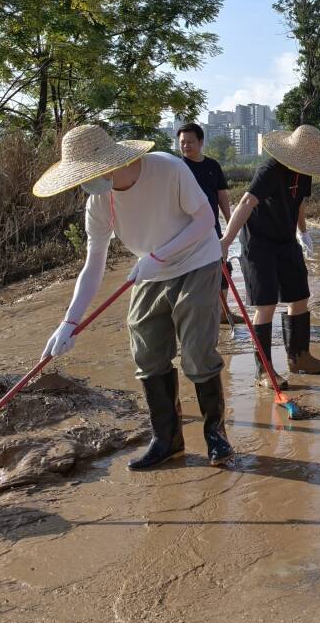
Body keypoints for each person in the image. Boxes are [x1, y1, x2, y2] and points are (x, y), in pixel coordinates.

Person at [33, 124, 232, 468]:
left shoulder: (168, 168)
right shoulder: (99, 202)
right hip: (150, 271)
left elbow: (204, 221)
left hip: (197, 260)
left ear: (112, 163)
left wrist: (159, 256)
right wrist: (69, 322)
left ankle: (216, 436)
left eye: (91, 174)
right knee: (146, 350)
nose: (87, 183)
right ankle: (167, 440)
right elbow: (93, 265)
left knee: (197, 351)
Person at [220, 124, 320, 388]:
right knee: (266, 305)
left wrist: (303, 232)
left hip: (286, 240)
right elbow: (246, 202)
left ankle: (299, 356)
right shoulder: (270, 170)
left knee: (300, 296)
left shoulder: (305, 172)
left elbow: (299, 203)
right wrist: (226, 241)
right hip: (259, 244)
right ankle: (264, 371)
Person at [177, 123, 239, 325]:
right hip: (185, 231)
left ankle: (222, 313)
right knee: (191, 274)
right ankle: (193, 318)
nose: (186, 146)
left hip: (212, 230)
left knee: (223, 269)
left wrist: (230, 222)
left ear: (201, 142)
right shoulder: (177, 168)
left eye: (190, 142)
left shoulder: (213, 166)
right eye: (182, 142)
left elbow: (222, 196)